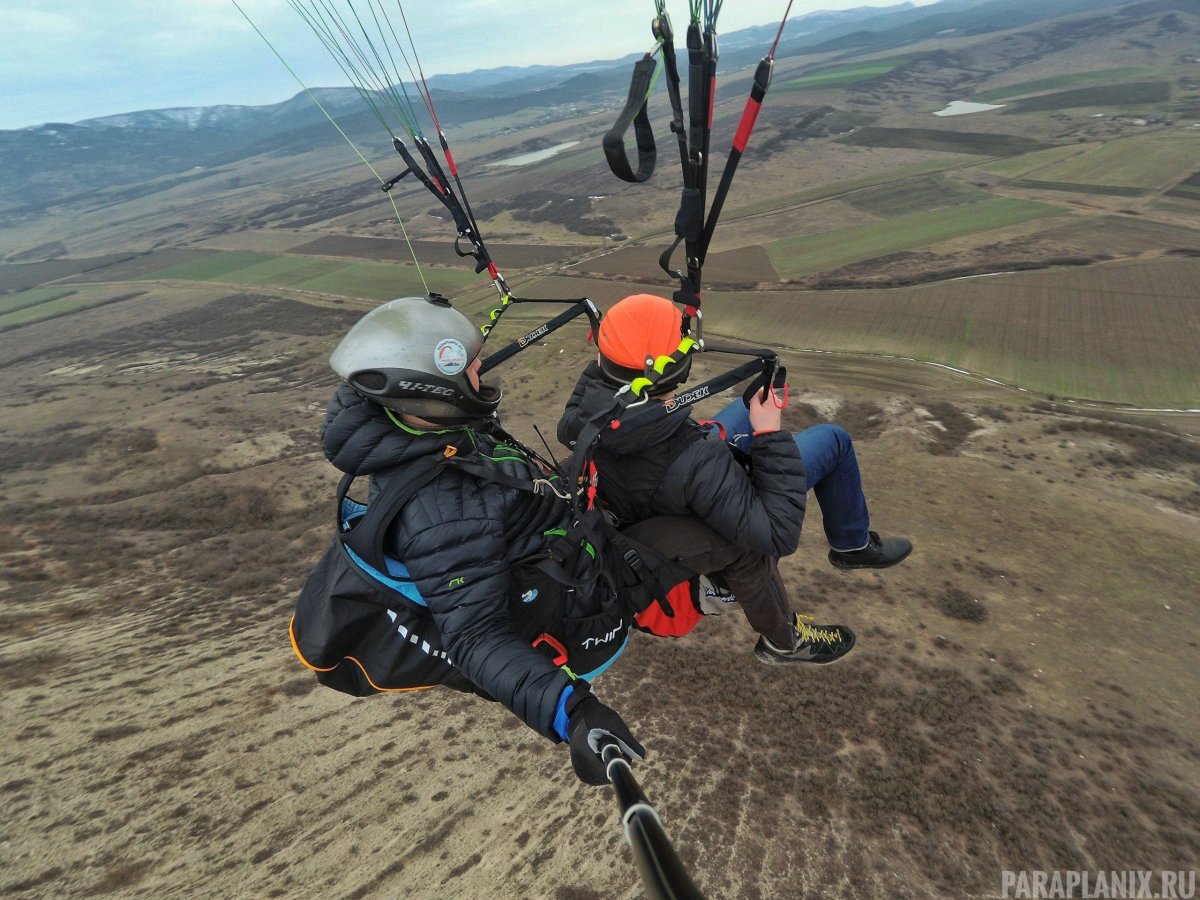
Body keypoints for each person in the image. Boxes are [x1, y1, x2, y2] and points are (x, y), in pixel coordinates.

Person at [293, 294, 648, 786]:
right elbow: (475, 636)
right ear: (426, 391)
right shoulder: (442, 513)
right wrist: (573, 711)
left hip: (548, 536)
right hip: (578, 620)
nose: (481, 366)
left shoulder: (419, 429)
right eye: (470, 367)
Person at [557, 293, 912, 666]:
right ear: (679, 370)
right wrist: (769, 434)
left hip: (656, 482)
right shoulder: (699, 457)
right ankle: (851, 547)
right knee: (833, 441)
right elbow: (778, 534)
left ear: (603, 363)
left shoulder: (583, 422)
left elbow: (593, 396)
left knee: (745, 405)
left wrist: (616, 352)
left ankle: (848, 548)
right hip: (684, 488)